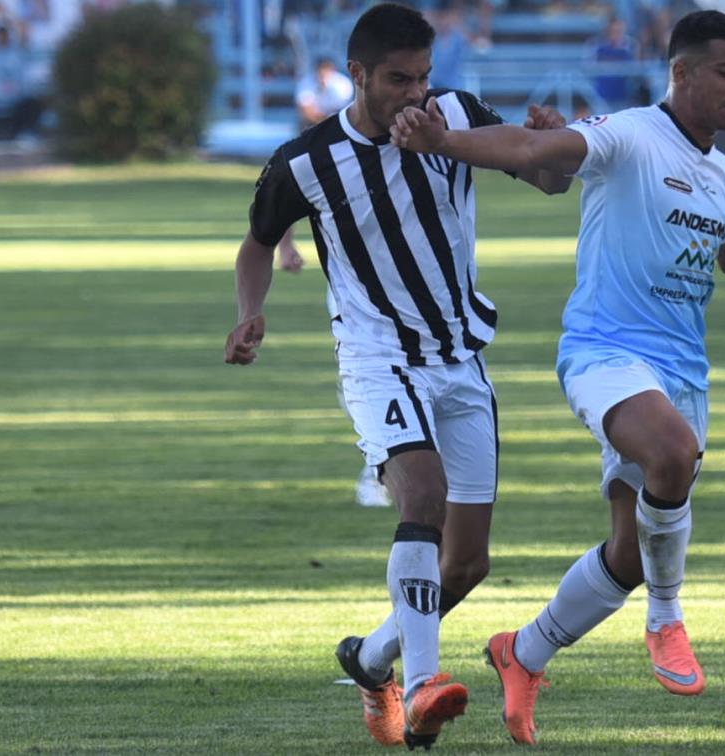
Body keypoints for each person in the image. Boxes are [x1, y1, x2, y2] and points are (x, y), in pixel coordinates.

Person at [391, 9, 725, 745]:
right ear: (681, 73)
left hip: (681, 371)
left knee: (630, 554)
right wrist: (443, 140)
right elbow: (534, 146)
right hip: (604, 352)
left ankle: (523, 653)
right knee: (672, 453)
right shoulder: (630, 134)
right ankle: (666, 618)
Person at [222, 4, 570, 749]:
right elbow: (256, 243)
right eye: (397, 80)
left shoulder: (455, 117)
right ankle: (420, 688)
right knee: (422, 493)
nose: (414, 94)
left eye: (422, 78)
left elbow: (549, 182)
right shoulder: (306, 162)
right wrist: (250, 312)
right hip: (376, 355)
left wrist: (550, 144)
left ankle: (371, 659)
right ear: (357, 74)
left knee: (466, 564)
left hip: (460, 356)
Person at [277, 57, 356, 274]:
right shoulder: (307, 84)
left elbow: (341, 115)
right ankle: (286, 245)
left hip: (333, 138)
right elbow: (307, 111)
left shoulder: (341, 85)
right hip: (314, 137)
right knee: (292, 190)